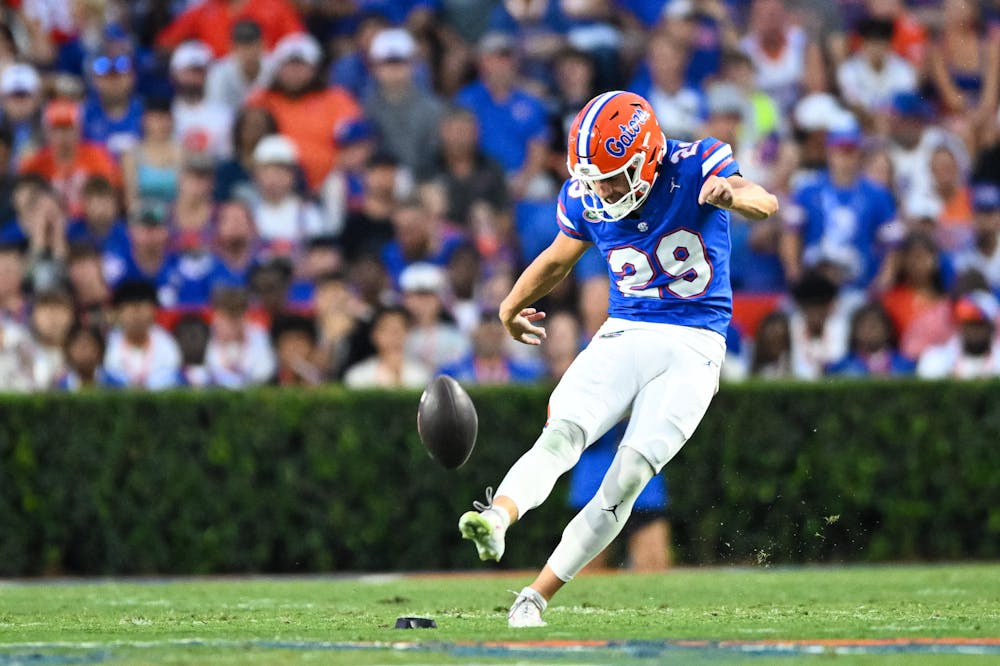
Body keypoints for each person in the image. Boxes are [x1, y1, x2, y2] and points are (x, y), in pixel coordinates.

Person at [455, 90, 778, 627]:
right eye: (595, 178)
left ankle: (535, 596)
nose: (603, 189)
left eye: (613, 176)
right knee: (562, 432)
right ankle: (497, 517)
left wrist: (732, 197)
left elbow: (763, 201)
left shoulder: (698, 164)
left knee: (628, 475)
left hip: (696, 342)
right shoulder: (588, 194)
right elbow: (558, 260)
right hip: (627, 328)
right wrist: (511, 305)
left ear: (649, 157)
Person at [103, 280, 182, 389]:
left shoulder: (167, 343)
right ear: (118, 313)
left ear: (154, 312)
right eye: (130, 308)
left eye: (142, 307)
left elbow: (171, 378)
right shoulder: (108, 344)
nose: (137, 315)